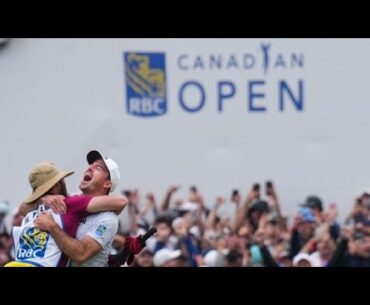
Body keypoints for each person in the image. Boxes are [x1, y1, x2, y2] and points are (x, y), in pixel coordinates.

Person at [6, 160, 127, 267]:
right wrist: (43, 197)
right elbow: (23, 209)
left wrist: (52, 227)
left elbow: (81, 255)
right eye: (90, 165)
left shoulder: (108, 218)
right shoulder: (67, 200)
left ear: (107, 184)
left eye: (98, 167)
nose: (89, 167)